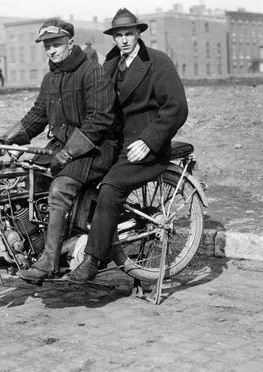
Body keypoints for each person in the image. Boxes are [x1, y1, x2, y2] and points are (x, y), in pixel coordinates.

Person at [63, 8, 188, 282]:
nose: (123, 40)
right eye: (118, 35)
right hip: (115, 146)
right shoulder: (109, 65)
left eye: (129, 34)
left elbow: (176, 108)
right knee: (75, 174)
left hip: (146, 148)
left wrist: (149, 139)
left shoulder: (157, 62)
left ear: (139, 33)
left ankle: (93, 260)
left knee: (111, 187)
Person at [0, 18, 119, 284]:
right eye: (47, 46)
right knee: (27, 179)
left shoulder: (92, 72)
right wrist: (4, 140)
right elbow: (37, 116)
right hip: (65, 149)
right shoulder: (51, 78)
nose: (51, 50)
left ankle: (49, 261)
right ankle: (37, 245)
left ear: (70, 43)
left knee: (59, 188)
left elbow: (99, 120)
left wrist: (68, 153)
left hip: (95, 149)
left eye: (56, 44)